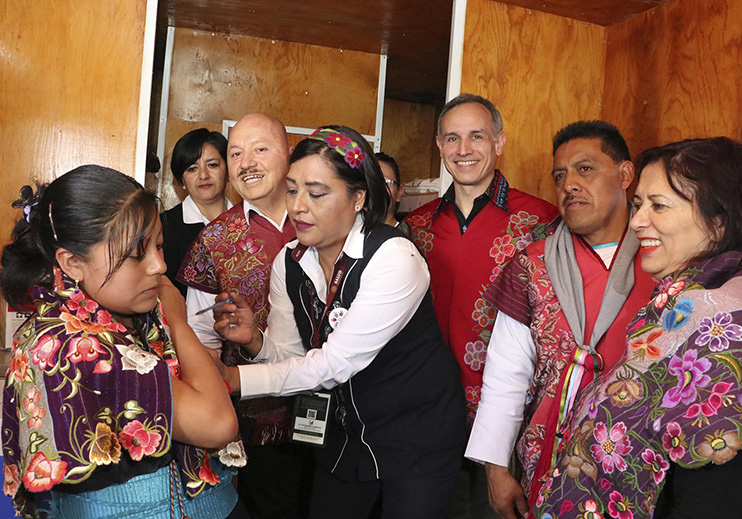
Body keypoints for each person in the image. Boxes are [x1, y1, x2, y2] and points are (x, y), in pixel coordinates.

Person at [211, 126, 467, 519]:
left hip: (416, 439)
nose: (298, 206)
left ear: (358, 197)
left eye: (316, 194)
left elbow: (333, 364)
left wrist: (233, 379)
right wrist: (256, 342)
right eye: (292, 190)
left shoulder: (394, 257)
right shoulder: (289, 263)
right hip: (345, 439)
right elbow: (294, 357)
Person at [0, 166, 243, 519]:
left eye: (159, 246)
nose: (159, 265)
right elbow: (218, 424)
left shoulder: (124, 314)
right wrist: (177, 320)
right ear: (72, 263)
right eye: (136, 254)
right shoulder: (73, 343)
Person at [534, 137, 742, 518]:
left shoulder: (721, 325)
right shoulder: (683, 303)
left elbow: (714, 489)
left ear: (718, 222)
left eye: (658, 206)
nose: (637, 221)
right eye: (638, 204)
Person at [466, 121, 657, 518]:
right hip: (549, 458)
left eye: (585, 169)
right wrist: (496, 471)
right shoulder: (532, 264)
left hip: (640, 457)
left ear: (625, 175)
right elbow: (506, 376)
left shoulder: (665, 260)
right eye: (559, 175)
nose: (569, 184)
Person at [404, 93, 558, 519]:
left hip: (511, 414)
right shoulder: (416, 226)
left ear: (499, 142)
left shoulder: (542, 222)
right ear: (440, 146)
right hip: (429, 410)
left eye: (476, 136)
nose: (463, 149)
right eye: (452, 138)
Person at [177, 113, 312, 519]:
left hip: (343, 413)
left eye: (260, 149)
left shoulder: (325, 220)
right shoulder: (214, 238)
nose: (247, 162)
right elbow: (201, 340)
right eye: (236, 153)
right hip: (259, 421)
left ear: (288, 153)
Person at [160, 128, 232, 296]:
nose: (203, 175)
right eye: (192, 168)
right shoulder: (164, 226)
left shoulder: (248, 223)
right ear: (182, 179)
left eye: (212, 165)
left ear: (229, 170)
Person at [375, 152, 405, 226]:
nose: (377, 189)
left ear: (399, 192)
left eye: (386, 183)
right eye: (371, 182)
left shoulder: (404, 232)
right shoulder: (350, 230)